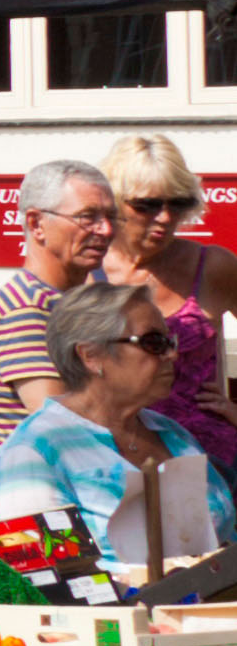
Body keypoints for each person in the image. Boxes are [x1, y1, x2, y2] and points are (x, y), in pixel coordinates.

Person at [0, 281, 220, 576]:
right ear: (91, 356)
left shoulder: (172, 434)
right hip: (120, 617)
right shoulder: (33, 453)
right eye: (153, 342)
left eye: (170, 342)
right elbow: (46, 577)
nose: (171, 355)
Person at [99, 136, 237, 474]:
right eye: (146, 205)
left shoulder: (213, 266)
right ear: (115, 202)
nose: (164, 217)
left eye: (178, 203)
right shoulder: (88, 269)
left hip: (209, 457)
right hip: (116, 454)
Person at [0, 162, 117, 465]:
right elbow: (60, 428)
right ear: (36, 224)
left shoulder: (58, 302)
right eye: (88, 217)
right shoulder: (29, 307)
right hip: (35, 504)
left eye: (111, 217)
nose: (106, 230)